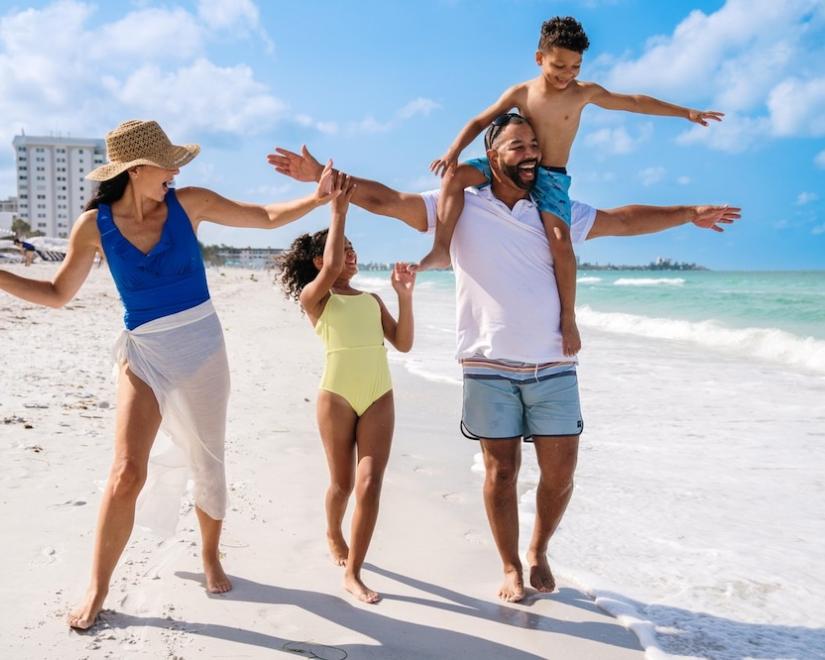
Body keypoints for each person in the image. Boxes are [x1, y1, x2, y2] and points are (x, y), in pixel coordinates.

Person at [268, 136, 740, 603]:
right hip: (487, 363)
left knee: (560, 475)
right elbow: (390, 201)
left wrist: (686, 213)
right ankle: (511, 565)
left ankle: (538, 549)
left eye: (535, 144)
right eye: (518, 146)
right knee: (501, 474)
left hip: (554, 361)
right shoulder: (458, 205)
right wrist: (325, 182)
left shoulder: (555, 209)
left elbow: (622, 220)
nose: (532, 152)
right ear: (492, 156)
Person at [0, 119, 340, 629]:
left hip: (201, 346)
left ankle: (209, 555)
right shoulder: (93, 227)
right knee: (125, 472)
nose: (176, 172)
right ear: (136, 170)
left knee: (208, 462)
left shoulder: (188, 204)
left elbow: (265, 216)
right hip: (145, 353)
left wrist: (316, 200)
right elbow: (56, 294)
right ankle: (97, 585)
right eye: (168, 164)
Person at [422, 16, 724, 356]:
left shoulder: (584, 93)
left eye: (575, 67)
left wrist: (686, 113)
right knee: (456, 176)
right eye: (559, 66)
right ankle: (440, 249)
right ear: (540, 59)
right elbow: (480, 120)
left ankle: (568, 319)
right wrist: (453, 152)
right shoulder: (522, 92)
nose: (567, 75)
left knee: (561, 242)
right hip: (513, 165)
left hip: (549, 176)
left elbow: (634, 102)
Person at [277, 171, 416, 604]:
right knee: (341, 485)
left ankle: (353, 572)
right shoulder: (314, 299)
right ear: (319, 262)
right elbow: (334, 266)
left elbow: (404, 343)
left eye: (353, 250)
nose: (349, 256)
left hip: (378, 392)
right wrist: (338, 211)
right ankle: (333, 529)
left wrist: (404, 295)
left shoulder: (371, 300)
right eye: (343, 250)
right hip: (336, 395)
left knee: (370, 482)